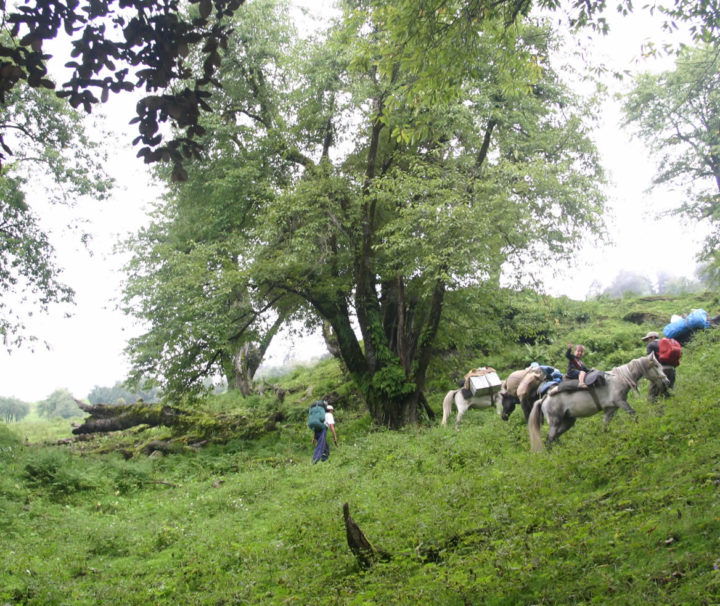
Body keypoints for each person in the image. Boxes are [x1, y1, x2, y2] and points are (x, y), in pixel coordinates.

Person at [641, 331, 675, 401]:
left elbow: (649, 359)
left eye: (648, 339)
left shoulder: (651, 345)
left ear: (653, 337)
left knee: (653, 395)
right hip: (672, 370)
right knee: (668, 393)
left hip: (660, 371)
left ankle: (654, 410)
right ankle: (668, 409)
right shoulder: (668, 344)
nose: (648, 341)